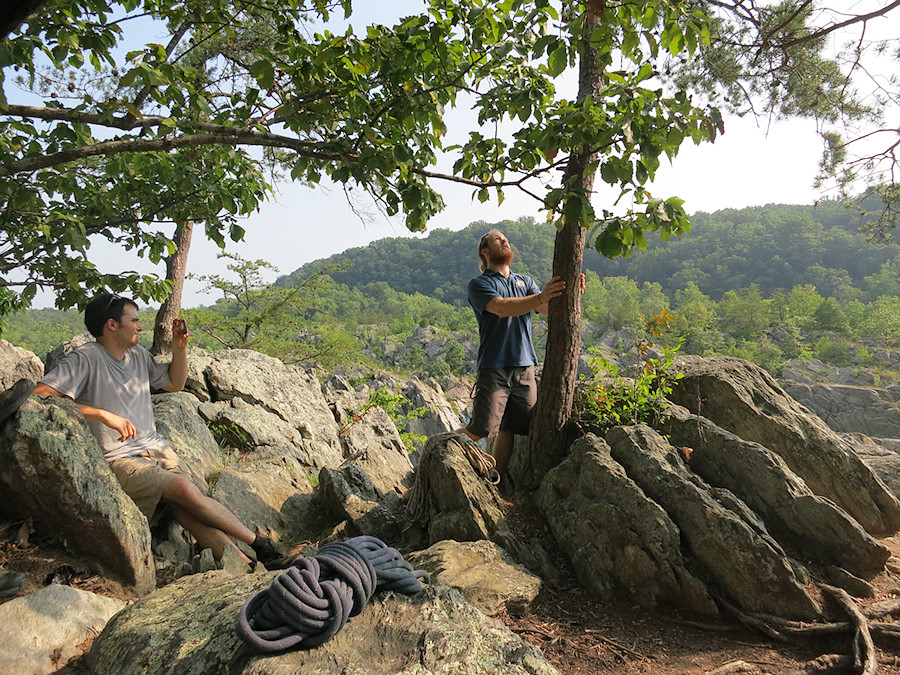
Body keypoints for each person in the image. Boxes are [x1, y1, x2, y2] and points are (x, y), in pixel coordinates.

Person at [33, 293, 283, 567]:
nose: (140, 327)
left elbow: (175, 383)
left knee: (184, 505)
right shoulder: (86, 358)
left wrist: (179, 348)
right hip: (120, 458)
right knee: (185, 490)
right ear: (112, 325)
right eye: (134, 321)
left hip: (155, 449)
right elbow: (41, 394)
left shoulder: (138, 356)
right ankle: (260, 544)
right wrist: (102, 415)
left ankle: (248, 565)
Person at [456, 229, 581, 487]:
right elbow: (501, 308)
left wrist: (573, 295)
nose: (505, 241)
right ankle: (439, 449)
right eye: (497, 239)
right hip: (495, 367)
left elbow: (546, 308)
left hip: (525, 367)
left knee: (511, 428)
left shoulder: (525, 280)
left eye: (506, 239)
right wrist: (540, 296)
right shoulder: (480, 284)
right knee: (480, 429)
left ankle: (493, 481)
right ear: (485, 251)